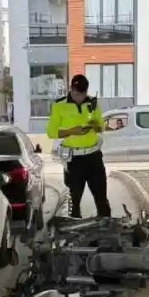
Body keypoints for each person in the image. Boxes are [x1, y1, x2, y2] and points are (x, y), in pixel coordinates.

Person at [47, 74, 111, 218]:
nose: (79, 98)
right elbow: (51, 132)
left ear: (86, 91)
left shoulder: (92, 104)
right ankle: (74, 235)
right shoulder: (59, 105)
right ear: (71, 89)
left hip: (94, 157)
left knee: (101, 199)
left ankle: (107, 231)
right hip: (73, 161)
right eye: (76, 94)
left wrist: (95, 125)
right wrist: (71, 131)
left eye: (82, 94)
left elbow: (101, 127)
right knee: (73, 202)